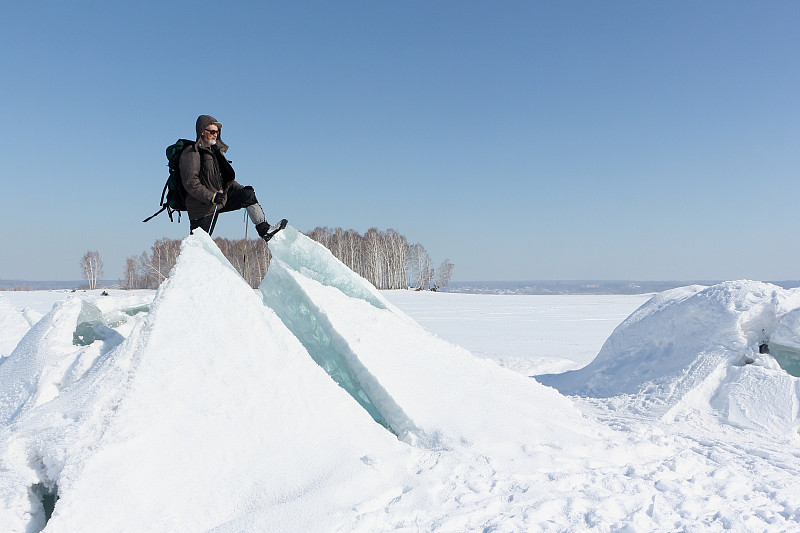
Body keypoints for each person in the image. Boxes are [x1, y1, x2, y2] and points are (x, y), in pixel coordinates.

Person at [180, 114, 286, 241]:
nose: (215, 134)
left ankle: (265, 230)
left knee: (247, 195)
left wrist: (241, 189)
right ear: (202, 132)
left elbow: (223, 180)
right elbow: (190, 182)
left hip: (219, 200)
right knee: (199, 244)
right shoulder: (192, 153)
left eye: (217, 132)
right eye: (212, 131)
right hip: (202, 209)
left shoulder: (215, 153)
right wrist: (212, 197)